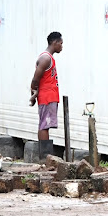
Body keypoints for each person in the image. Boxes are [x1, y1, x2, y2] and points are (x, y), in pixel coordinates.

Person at [30, 32, 63, 161]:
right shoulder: (45, 58)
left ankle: (45, 158)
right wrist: (33, 93)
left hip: (50, 96)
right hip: (47, 97)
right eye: (61, 43)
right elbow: (35, 79)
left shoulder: (48, 58)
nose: (61, 46)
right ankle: (45, 158)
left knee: (45, 125)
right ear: (54, 43)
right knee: (44, 125)